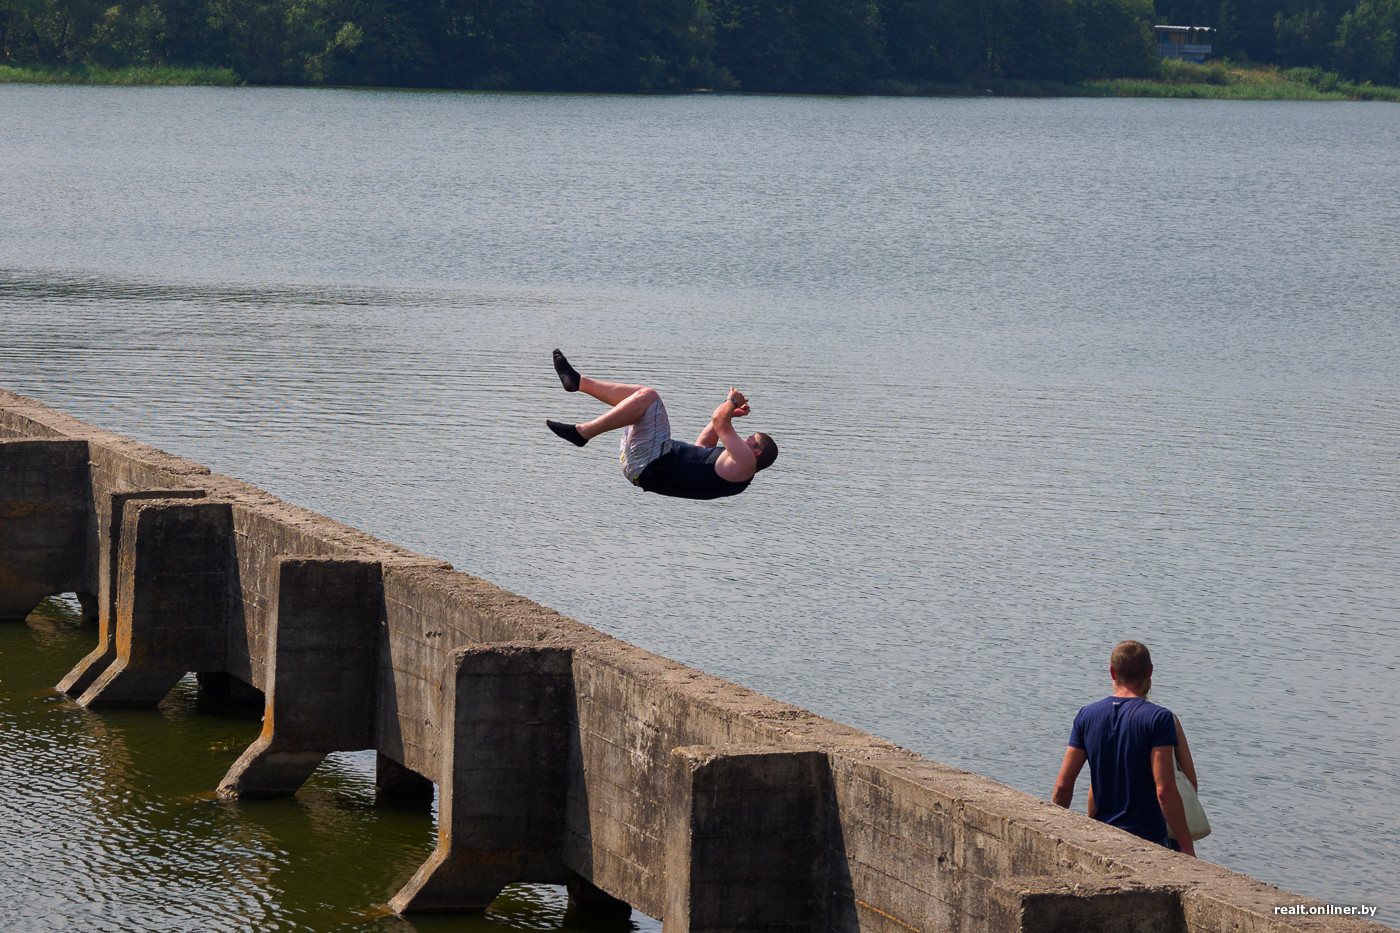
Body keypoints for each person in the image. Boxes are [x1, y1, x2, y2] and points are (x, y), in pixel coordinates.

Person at [544, 350, 777, 500]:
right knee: (640, 398)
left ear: (756, 452)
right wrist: (729, 416)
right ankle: (578, 383)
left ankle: (583, 432)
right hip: (643, 466)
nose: (743, 439)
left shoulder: (746, 464)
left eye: (748, 439)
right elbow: (702, 447)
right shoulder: (736, 471)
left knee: (650, 398)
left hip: (651, 461)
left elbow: (719, 419)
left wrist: (731, 401)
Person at [1051, 640, 1196, 857]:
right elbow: (1165, 790)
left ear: (1112, 672)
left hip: (1102, 837)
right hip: (1148, 840)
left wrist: (1056, 834)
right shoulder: (1159, 718)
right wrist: (1187, 848)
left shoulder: (1086, 715)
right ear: (1150, 671)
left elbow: (1063, 786)